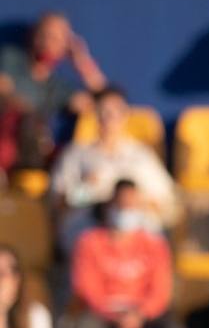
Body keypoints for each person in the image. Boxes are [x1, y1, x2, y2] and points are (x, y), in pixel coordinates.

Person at [65, 180, 184, 328]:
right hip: (103, 313)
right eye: (122, 205)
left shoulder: (155, 246)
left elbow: (160, 293)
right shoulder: (90, 243)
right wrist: (114, 315)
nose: (127, 211)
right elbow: (86, 288)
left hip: (142, 313)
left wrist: (139, 315)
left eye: (133, 206)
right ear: (111, 206)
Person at [51, 86, 178, 252]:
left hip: (136, 242)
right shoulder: (75, 155)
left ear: (125, 115)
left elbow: (166, 201)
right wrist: (85, 190)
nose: (109, 118)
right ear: (94, 115)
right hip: (91, 236)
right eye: (103, 111)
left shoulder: (142, 156)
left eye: (116, 112)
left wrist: (133, 201)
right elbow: (60, 204)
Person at [0, 12, 105, 170]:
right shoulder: (10, 58)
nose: (47, 42)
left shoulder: (59, 87)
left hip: (34, 156)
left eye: (56, 38)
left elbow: (106, 102)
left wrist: (82, 62)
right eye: (44, 34)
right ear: (33, 35)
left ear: (65, 45)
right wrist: (32, 119)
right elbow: (4, 89)